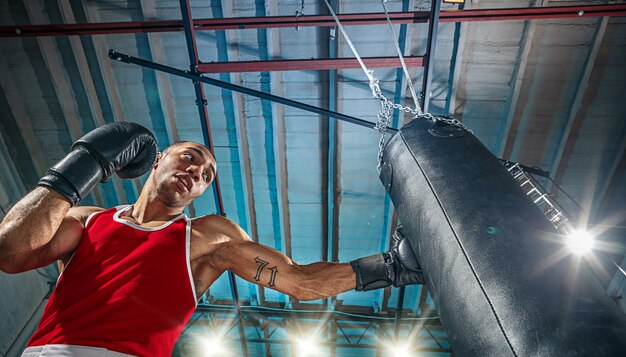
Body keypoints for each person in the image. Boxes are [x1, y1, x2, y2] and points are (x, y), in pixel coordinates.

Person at [0, 122, 424, 357]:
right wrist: (85, 163)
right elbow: (11, 252)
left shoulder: (206, 236)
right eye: (189, 158)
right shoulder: (86, 220)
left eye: (206, 176)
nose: (197, 174)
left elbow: (299, 281)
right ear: (157, 160)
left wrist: (391, 267)